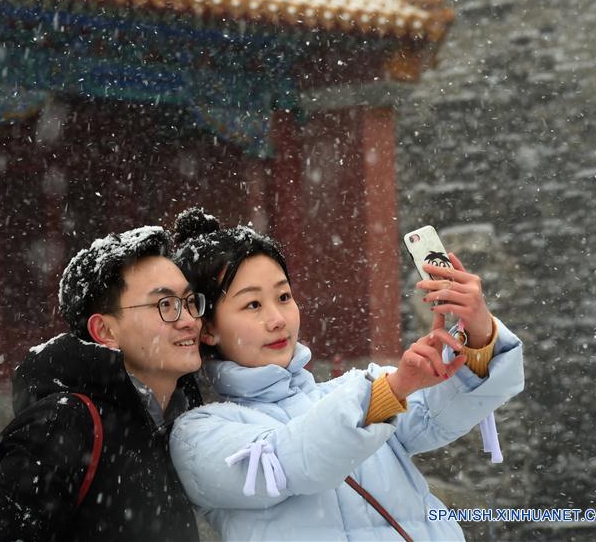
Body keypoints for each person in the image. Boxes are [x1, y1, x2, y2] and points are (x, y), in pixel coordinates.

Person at [168, 208, 524, 541]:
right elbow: (291, 460)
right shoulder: (198, 435)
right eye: (253, 304)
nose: (278, 318)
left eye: (284, 296)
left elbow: (442, 408)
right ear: (208, 328)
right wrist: (393, 389)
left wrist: (477, 331)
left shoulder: (358, 389)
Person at [0, 226, 205, 541]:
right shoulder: (64, 425)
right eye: (165, 305)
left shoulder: (180, 423)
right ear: (104, 331)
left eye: (189, 302)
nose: (189, 320)